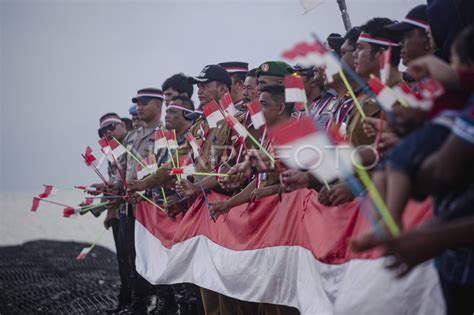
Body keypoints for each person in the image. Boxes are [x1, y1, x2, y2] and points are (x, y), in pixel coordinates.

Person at [95, 113, 134, 314]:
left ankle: (134, 302)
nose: (107, 133)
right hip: (118, 211)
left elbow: (127, 182)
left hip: (131, 211)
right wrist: (108, 208)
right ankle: (125, 301)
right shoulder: (112, 153)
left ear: (123, 125)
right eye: (102, 131)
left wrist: (110, 203)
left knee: (132, 260)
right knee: (123, 260)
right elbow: (114, 183)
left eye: (111, 127)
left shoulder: (131, 146)